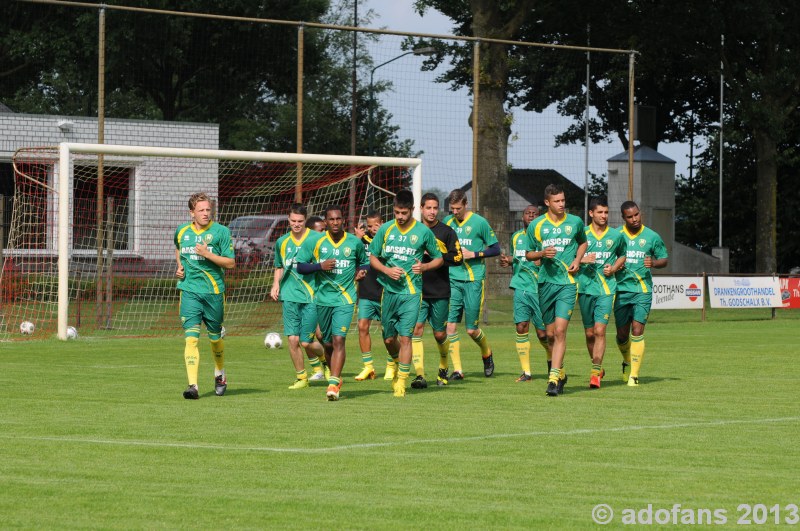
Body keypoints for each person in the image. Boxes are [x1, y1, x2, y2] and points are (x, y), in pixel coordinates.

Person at [369, 190, 443, 397]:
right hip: (389, 291)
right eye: (396, 213)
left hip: (412, 293)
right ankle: (396, 360)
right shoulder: (385, 229)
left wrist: (425, 268)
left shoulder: (423, 232)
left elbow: (439, 258)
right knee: (388, 339)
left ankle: (401, 381)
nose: (400, 217)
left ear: (411, 210)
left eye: (403, 213)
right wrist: (386, 270)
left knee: (406, 337)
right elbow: (373, 257)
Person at [296, 205, 368, 401]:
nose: (335, 223)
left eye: (338, 219)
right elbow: (300, 266)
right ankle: (334, 375)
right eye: (331, 219)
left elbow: (364, 261)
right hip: (322, 300)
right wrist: (320, 266)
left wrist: (362, 271)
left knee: (339, 340)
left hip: (345, 300)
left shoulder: (354, 243)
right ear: (326, 222)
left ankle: (334, 383)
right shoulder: (316, 242)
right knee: (327, 343)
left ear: (343, 220)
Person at [525, 184, 587, 396]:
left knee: (560, 331)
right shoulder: (536, 225)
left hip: (568, 284)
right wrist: (542, 253)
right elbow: (528, 254)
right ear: (547, 203)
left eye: (563, 200)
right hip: (545, 284)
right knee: (549, 335)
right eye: (557, 201)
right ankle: (561, 373)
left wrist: (578, 261)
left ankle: (552, 380)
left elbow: (583, 243)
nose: (562, 204)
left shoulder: (575, 222)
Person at [174, 192, 235, 399]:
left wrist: (207, 254)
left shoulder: (221, 232)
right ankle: (193, 386)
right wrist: (180, 266)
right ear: (192, 213)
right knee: (191, 339)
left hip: (214, 293)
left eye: (208, 210)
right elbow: (178, 248)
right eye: (201, 210)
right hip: (189, 291)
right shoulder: (182, 231)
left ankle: (219, 373)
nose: (206, 213)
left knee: (215, 339)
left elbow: (231, 263)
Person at [443, 189, 501, 380]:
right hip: (453, 279)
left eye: (458, 208)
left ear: (465, 204)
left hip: (474, 279)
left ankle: (487, 353)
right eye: (452, 209)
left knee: (471, 329)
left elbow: (495, 249)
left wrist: (474, 254)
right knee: (450, 327)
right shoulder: (448, 223)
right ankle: (458, 370)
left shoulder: (479, 222)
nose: (454, 212)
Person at [270, 203, 327, 389]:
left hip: (311, 296)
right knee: (293, 340)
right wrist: (275, 284)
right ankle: (301, 378)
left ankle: (324, 357)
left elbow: (325, 264)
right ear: (288, 220)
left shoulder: (317, 239)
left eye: (300, 221)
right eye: (293, 221)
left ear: (305, 221)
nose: (296, 224)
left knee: (307, 341)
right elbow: (279, 266)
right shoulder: (282, 242)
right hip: (289, 296)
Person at [410, 193, 462, 388]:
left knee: (439, 334)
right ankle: (420, 375)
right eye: (428, 208)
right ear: (421, 209)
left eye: (435, 208)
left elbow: (458, 258)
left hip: (440, 289)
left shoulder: (447, 232)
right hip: (417, 289)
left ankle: (443, 367)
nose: (432, 212)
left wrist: (436, 256)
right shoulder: (413, 231)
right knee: (417, 329)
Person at [614, 200, 668, 386]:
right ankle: (627, 361)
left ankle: (634, 375)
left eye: (636, 214)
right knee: (622, 335)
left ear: (640, 213)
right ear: (623, 218)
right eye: (630, 216)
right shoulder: (616, 236)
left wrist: (653, 263)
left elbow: (663, 259)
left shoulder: (652, 236)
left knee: (637, 331)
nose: (634, 219)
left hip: (642, 291)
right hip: (620, 290)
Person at [576, 197, 626, 389]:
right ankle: (597, 367)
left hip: (606, 289)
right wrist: (581, 260)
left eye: (606, 212)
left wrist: (613, 268)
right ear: (591, 214)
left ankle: (595, 373)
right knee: (589, 334)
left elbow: (623, 254)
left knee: (599, 330)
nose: (604, 216)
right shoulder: (582, 235)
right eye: (600, 212)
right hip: (585, 288)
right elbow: (569, 258)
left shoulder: (616, 235)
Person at [498, 204, 551, 382]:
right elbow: (518, 257)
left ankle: (552, 362)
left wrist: (541, 260)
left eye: (534, 214)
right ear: (523, 217)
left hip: (539, 289)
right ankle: (526, 372)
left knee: (543, 333)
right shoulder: (516, 237)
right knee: (521, 327)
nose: (530, 216)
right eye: (527, 213)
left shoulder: (543, 236)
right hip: (520, 287)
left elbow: (552, 258)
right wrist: (508, 261)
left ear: (539, 217)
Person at [353, 211, 384, 382]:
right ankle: (368, 367)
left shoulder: (387, 240)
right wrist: (357, 239)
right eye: (369, 226)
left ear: (382, 223)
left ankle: (392, 364)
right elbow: (352, 258)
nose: (372, 229)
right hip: (365, 291)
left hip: (384, 291)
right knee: (363, 326)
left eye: (376, 225)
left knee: (388, 332)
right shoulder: (361, 241)